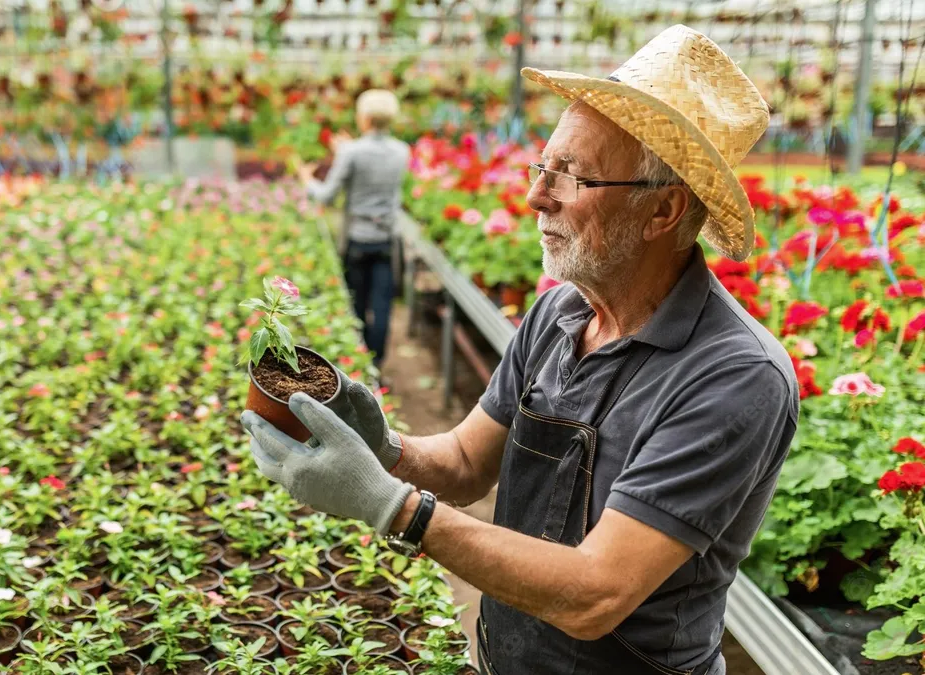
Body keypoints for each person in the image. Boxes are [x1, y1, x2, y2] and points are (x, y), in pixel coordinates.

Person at [244, 26, 796, 675]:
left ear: (663, 210)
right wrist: (387, 448)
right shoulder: (560, 313)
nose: (536, 195)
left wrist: (393, 506)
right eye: (544, 166)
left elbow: (598, 592)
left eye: (572, 176)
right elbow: (466, 462)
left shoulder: (733, 377)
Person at [299, 89, 410, 372]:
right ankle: (378, 363)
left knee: (356, 303)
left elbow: (325, 195)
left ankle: (358, 362)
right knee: (383, 303)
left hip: (357, 239)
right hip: (387, 238)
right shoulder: (401, 151)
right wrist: (346, 151)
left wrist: (305, 178)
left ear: (366, 117)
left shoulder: (352, 152)